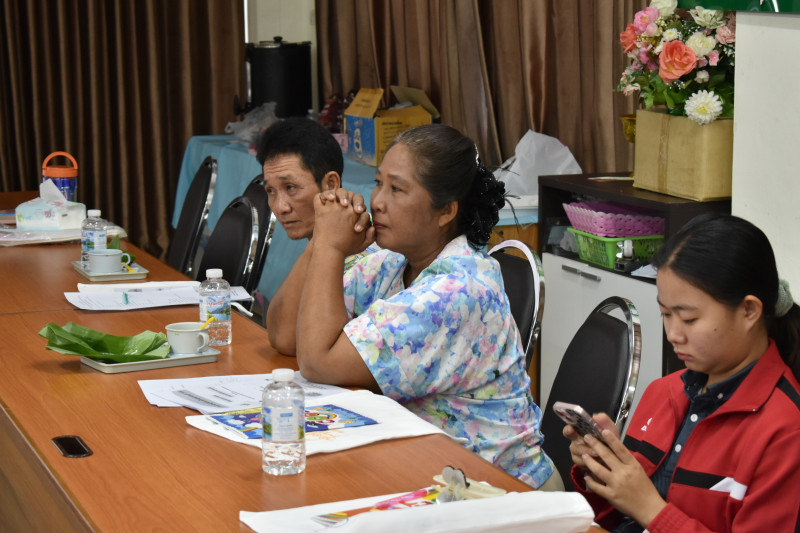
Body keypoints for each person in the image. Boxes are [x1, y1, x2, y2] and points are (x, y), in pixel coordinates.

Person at [292, 123, 561, 490]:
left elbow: (317, 361)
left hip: (502, 491)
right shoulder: (392, 261)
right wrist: (321, 242)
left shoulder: (455, 291)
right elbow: (287, 334)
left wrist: (329, 246)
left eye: (397, 189)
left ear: (445, 211)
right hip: (435, 472)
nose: (377, 201)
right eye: (378, 183)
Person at [564, 213, 800, 532]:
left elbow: (643, 509)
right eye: (665, 314)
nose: (673, 334)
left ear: (749, 311)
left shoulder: (785, 431)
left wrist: (649, 508)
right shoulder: (663, 392)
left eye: (689, 319)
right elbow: (614, 518)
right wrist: (603, 471)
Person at [255, 117, 370, 353]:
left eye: (291, 188)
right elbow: (276, 331)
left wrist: (323, 242)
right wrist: (320, 241)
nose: (280, 207)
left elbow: (285, 340)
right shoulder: (319, 246)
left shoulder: (363, 258)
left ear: (331, 184)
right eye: (270, 191)